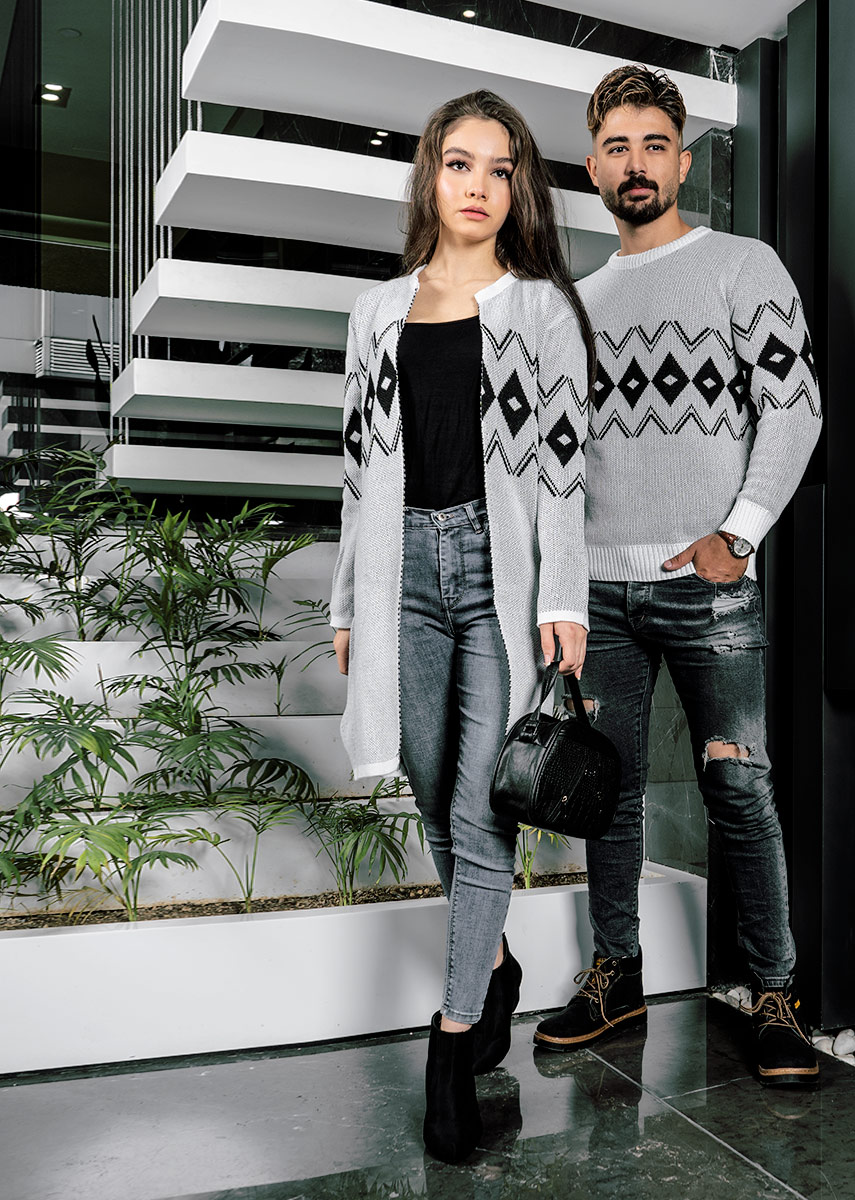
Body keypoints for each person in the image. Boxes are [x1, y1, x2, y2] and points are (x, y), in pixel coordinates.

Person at [532, 66, 823, 1086]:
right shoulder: (573, 303)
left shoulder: (742, 266)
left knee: (738, 785)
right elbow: (559, 462)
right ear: (593, 167)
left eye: (654, 144)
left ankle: (775, 991)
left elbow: (794, 408)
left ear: (683, 162)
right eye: (618, 147)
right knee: (605, 795)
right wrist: (560, 587)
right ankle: (617, 974)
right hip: (599, 598)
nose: (637, 163)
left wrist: (737, 534)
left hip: (709, 587)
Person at [330, 90, 593, 1162]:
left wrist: (563, 597)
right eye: (459, 164)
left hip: (499, 572)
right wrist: (347, 601)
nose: (479, 186)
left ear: (518, 188)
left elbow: (566, 469)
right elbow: (356, 473)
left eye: (500, 169)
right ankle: (491, 965)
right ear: (430, 177)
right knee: (434, 788)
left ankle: (450, 1044)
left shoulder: (542, 311)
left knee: (484, 809)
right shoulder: (375, 314)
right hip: (400, 571)